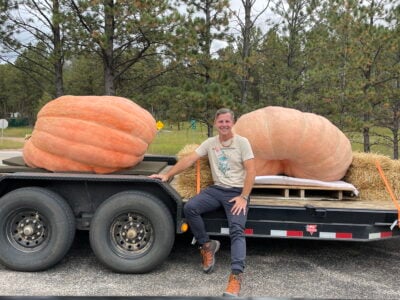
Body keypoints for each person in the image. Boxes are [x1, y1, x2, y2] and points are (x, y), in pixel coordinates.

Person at [149, 108, 256, 297]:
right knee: (190, 208)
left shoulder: (242, 143)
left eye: (227, 121)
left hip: (237, 192)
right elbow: (189, 159)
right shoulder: (210, 143)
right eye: (220, 121)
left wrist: (244, 197)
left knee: (237, 230)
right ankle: (206, 245)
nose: (224, 125)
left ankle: (236, 275)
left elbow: (251, 171)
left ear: (233, 123)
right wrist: (167, 174)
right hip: (217, 189)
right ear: (216, 123)